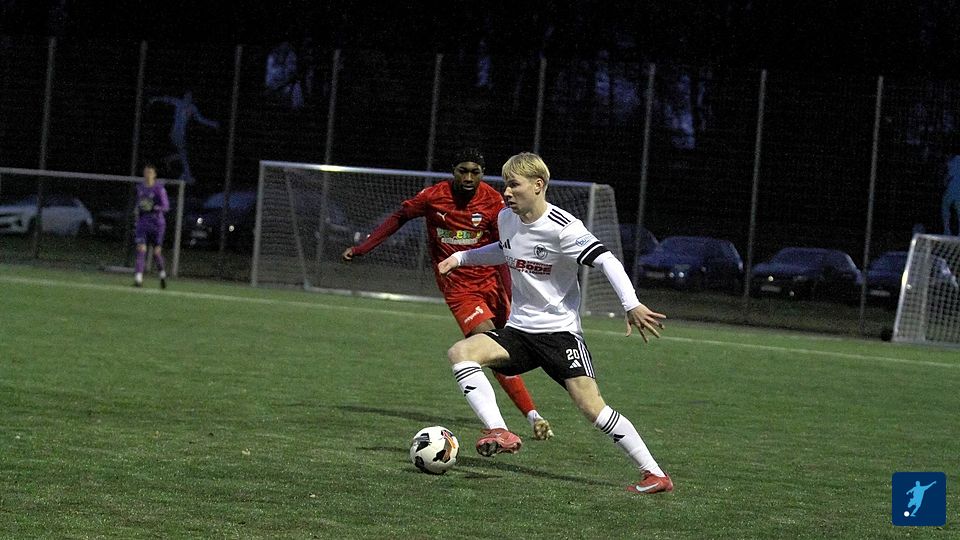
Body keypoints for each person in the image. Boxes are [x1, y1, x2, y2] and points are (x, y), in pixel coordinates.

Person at [437, 152, 672, 494]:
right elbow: (505, 249)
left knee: (593, 409)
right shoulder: (506, 218)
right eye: (505, 185)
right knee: (461, 353)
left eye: (514, 185)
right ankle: (498, 430)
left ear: (538, 185)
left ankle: (655, 474)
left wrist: (631, 303)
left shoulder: (564, 227)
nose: (506, 192)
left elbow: (607, 260)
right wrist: (461, 257)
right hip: (519, 332)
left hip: (560, 336)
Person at [342, 148, 553, 440]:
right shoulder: (433, 197)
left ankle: (529, 416)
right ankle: (517, 422)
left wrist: (512, 291)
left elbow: (504, 250)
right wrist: (363, 248)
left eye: (475, 172)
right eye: (462, 171)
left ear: (482, 173)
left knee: (508, 351)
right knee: (489, 344)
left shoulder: (493, 201)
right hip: (459, 289)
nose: (468, 177)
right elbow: (399, 217)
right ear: (453, 171)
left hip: (492, 284)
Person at [149, 91, 219, 183]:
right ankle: (187, 174)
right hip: (175, 132)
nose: (187, 99)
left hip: (182, 134)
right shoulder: (178, 102)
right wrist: (155, 99)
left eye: (190, 97)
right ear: (184, 97)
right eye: (186, 97)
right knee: (183, 153)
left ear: (191, 99)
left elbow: (200, 119)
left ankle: (172, 161)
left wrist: (212, 123)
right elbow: (167, 99)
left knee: (183, 153)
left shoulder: (193, 108)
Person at [133, 163, 170, 289]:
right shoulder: (140, 188)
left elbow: (166, 206)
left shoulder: (159, 189)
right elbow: (139, 204)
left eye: (149, 172)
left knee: (156, 253)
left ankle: (162, 275)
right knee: (141, 249)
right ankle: (138, 279)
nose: (147, 175)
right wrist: (137, 209)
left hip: (157, 224)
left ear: (154, 175)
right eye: (145, 172)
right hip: (143, 223)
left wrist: (155, 207)